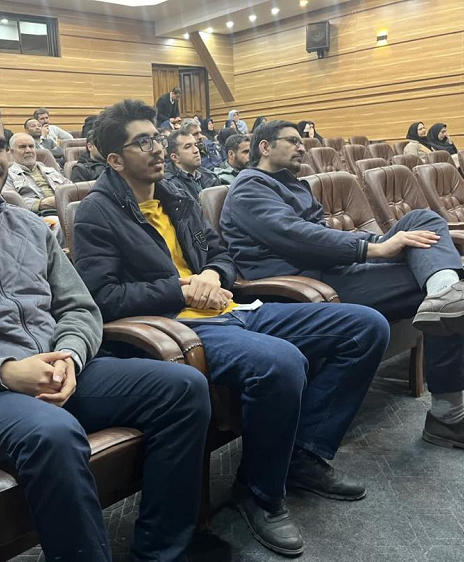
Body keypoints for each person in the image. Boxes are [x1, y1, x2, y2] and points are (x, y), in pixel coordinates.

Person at [0, 94, 210, 562]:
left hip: (64, 368)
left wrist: (71, 354)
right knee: (54, 434)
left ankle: (161, 551)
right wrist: (6, 372)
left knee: (184, 387)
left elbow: (80, 308)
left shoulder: (30, 227)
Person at [73, 99, 391, 558]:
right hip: (176, 327)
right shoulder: (96, 212)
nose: (158, 148)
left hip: (232, 307)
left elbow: (221, 254)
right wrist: (180, 289)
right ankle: (260, 493)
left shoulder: (177, 196)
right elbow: (104, 297)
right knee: (281, 363)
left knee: (365, 326)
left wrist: (211, 274)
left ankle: (303, 456)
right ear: (115, 159)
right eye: (143, 142)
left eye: (157, 137)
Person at [220, 119, 464, 459]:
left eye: (301, 142)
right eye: (292, 141)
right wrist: (374, 248)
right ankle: (450, 414)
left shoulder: (294, 185)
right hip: (304, 285)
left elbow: (325, 236)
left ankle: (447, 292)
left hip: (333, 269)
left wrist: (381, 243)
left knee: (423, 222)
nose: (301, 147)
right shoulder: (249, 186)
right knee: (434, 288)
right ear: (265, 147)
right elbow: (297, 237)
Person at [5, 131, 71, 239]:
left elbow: (70, 189)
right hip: (38, 217)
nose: (28, 150)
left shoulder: (50, 170)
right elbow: (9, 203)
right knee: (60, 224)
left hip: (65, 210)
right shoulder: (8, 175)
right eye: (22, 147)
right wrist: (41, 203)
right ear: (12, 152)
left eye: (31, 146)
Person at [164, 128, 221, 201]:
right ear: (175, 157)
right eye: (188, 147)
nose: (196, 150)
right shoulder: (170, 185)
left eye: (195, 145)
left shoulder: (210, 176)